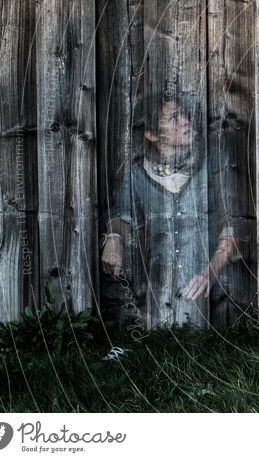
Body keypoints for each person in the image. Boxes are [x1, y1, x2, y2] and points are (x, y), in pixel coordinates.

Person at [100, 91, 250, 325]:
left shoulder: (215, 163)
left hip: (215, 290)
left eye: (184, 115)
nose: (185, 121)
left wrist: (210, 272)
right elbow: (122, 213)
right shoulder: (137, 174)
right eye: (173, 118)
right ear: (151, 134)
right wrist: (114, 237)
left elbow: (233, 224)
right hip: (159, 289)